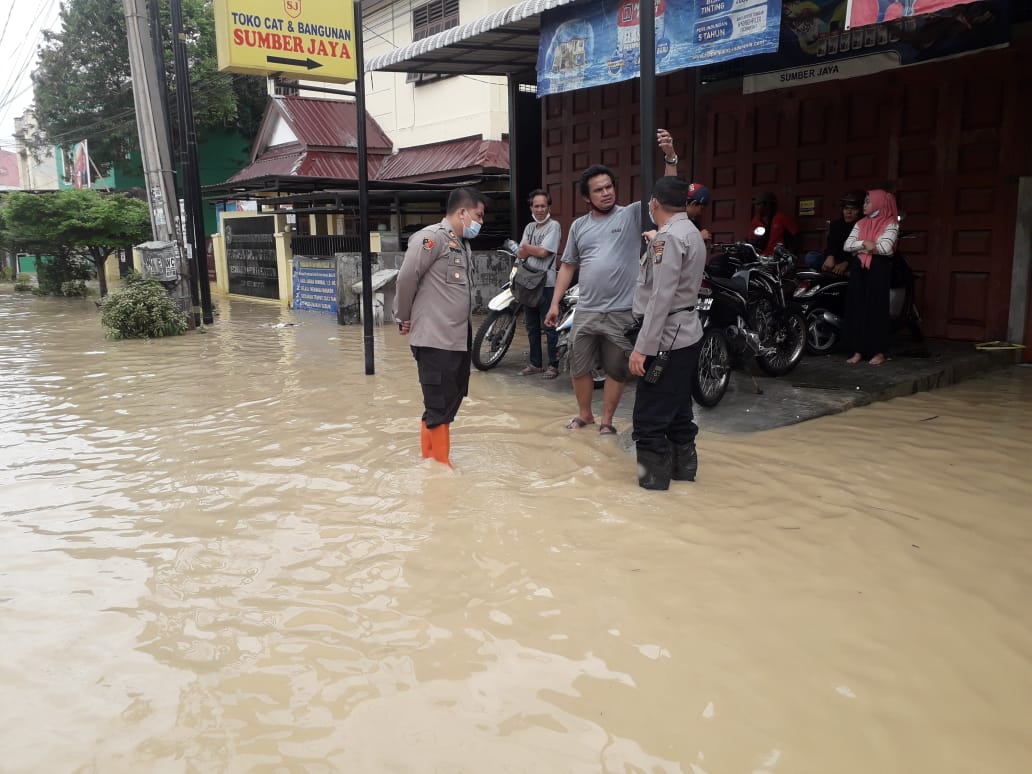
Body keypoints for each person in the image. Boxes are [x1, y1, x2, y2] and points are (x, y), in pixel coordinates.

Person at [544, 129, 681, 435]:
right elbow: (567, 265)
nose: (606, 193)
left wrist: (670, 157)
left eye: (608, 187)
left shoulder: (633, 214)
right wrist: (555, 303)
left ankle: (607, 420)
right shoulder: (579, 226)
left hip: (622, 311)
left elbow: (667, 194)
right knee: (578, 365)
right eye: (598, 190)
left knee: (617, 368)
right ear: (586, 197)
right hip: (586, 310)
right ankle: (584, 415)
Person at [394, 187, 488, 466]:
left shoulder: (462, 245)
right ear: (462, 212)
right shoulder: (431, 238)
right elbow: (405, 278)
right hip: (435, 340)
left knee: (443, 405)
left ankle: (429, 461)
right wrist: (403, 315)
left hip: (456, 339)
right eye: (478, 215)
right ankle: (441, 471)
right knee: (438, 407)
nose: (480, 222)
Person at [629, 178, 706, 490]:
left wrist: (642, 349)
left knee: (648, 420)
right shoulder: (689, 232)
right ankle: (684, 477)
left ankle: (652, 487)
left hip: (667, 337)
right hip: (686, 333)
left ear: (654, 203)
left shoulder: (669, 238)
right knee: (678, 413)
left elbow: (660, 297)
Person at [843, 189, 899, 366]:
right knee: (857, 306)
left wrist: (860, 247)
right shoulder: (860, 223)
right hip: (859, 268)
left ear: (879, 203)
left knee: (875, 308)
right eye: (865, 202)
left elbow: (885, 248)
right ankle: (858, 350)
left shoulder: (891, 223)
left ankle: (878, 351)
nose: (864, 205)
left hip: (878, 269)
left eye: (868, 202)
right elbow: (847, 245)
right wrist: (866, 244)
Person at [516, 189, 562, 379]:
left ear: (548, 207)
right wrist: (529, 249)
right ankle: (535, 364)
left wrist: (528, 249)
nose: (540, 209)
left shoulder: (554, 226)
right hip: (528, 282)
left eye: (543, 205)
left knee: (549, 326)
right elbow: (520, 253)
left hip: (547, 283)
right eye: (537, 206)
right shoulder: (529, 227)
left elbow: (545, 253)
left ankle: (554, 365)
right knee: (532, 326)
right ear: (531, 207)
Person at [803, 190, 866, 272]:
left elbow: (862, 252)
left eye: (853, 209)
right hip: (835, 260)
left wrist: (847, 263)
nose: (848, 212)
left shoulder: (864, 226)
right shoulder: (837, 224)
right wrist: (830, 255)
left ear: (860, 211)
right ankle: (836, 272)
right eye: (846, 208)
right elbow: (831, 245)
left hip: (852, 262)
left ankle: (838, 272)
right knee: (811, 257)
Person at [750, 191, 798, 256]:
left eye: (758, 204)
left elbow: (795, 235)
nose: (756, 207)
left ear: (767, 204)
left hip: (778, 258)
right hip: (761, 258)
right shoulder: (756, 220)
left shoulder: (781, 218)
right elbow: (751, 239)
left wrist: (791, 253)